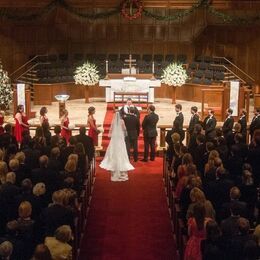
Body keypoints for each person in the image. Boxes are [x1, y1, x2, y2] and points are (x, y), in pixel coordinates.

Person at [100, 112, 134, 182]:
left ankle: (112, 161)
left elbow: (111, 130)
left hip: (114, 138)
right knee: (121, 150)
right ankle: (122, 161)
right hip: (120, 138)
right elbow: (124, 130)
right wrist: (123, 134)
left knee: (113, 150)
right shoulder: (122, 121)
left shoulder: (113, 121)